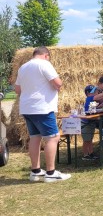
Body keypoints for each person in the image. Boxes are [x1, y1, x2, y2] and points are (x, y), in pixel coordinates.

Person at [14, 47, 71, 182]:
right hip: (42, 107)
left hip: (27, 107)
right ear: (46, 55)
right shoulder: (44, 64)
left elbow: (17, 89)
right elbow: (58, 83)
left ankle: (36, 171)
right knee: (53, 137)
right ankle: (51, 173)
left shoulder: (23, 67)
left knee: (35, 137)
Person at [81, 76, 103, 160]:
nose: (96, 93)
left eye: (96, 92)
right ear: (88, 93)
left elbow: (96, 107)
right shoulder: (90, 98)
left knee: (89, 140)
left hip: (90, 122)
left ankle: (91, 153)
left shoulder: (92, 101)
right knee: (87, 140)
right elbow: (100, 96)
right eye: (94, 92)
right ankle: (86, 155)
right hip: (86, 123)